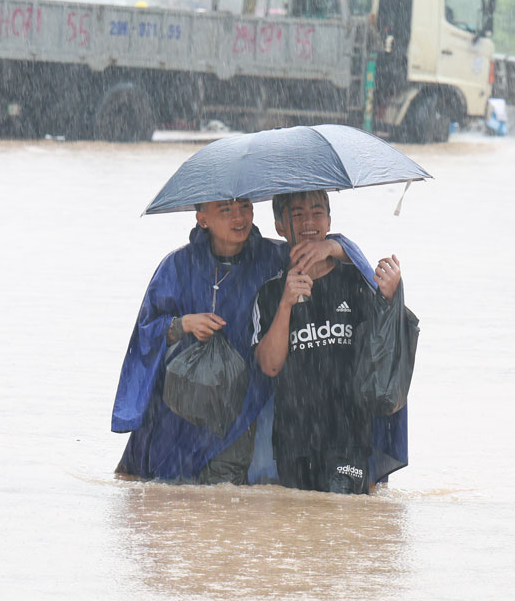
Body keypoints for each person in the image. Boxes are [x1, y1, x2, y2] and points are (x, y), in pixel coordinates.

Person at [114, 199, 378, 485]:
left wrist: (332, 246)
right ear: (203, 219)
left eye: (245, 207)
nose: (238, 217)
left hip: (243, 402)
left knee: (228, 490)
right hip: (183, 399)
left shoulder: (273, 256)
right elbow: (144, 333)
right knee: (157, 491)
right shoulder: (177, 265)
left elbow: (339, 259)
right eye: (225, 210)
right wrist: (183, 324)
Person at [250, 191, 403, 494]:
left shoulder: (357, 281)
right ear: (280, 226)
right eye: (297, 215)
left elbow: (386, 345)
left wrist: (390, 295)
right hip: (294, 441)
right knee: (301, 534)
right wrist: (285, 305)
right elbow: (269, 366)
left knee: (341, 518)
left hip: (349, 436)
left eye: (317, 212)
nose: (308, 222)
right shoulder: (269, 292)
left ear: (329, 221)